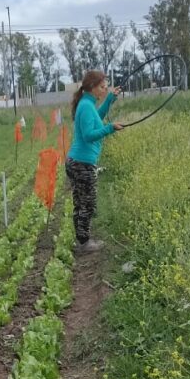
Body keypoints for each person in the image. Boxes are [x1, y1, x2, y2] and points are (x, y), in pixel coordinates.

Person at [65, 69, 123, 251]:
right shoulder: (85, 106)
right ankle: (84, 243)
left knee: (81, 203)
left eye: (106, 87)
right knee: (87, 204)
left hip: (77, 161)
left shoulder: (87, 104)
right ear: (92, 87)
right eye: (102, 87)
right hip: (82, 163)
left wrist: (109, 100)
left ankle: (81, 240)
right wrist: (110, 128)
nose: (105, 89)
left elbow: (96, 118)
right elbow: (89, 135)